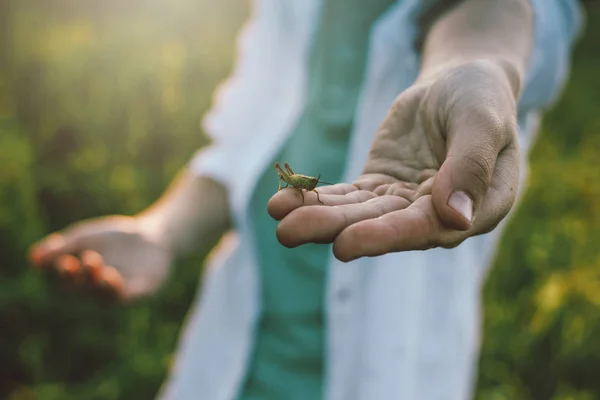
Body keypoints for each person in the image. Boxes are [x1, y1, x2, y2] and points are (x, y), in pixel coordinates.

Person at [28, 0, 583, 399]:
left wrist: (481, 65)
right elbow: (237, 146)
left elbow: (496, 17)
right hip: (230, 364)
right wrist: (162, 230)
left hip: (392, 372)